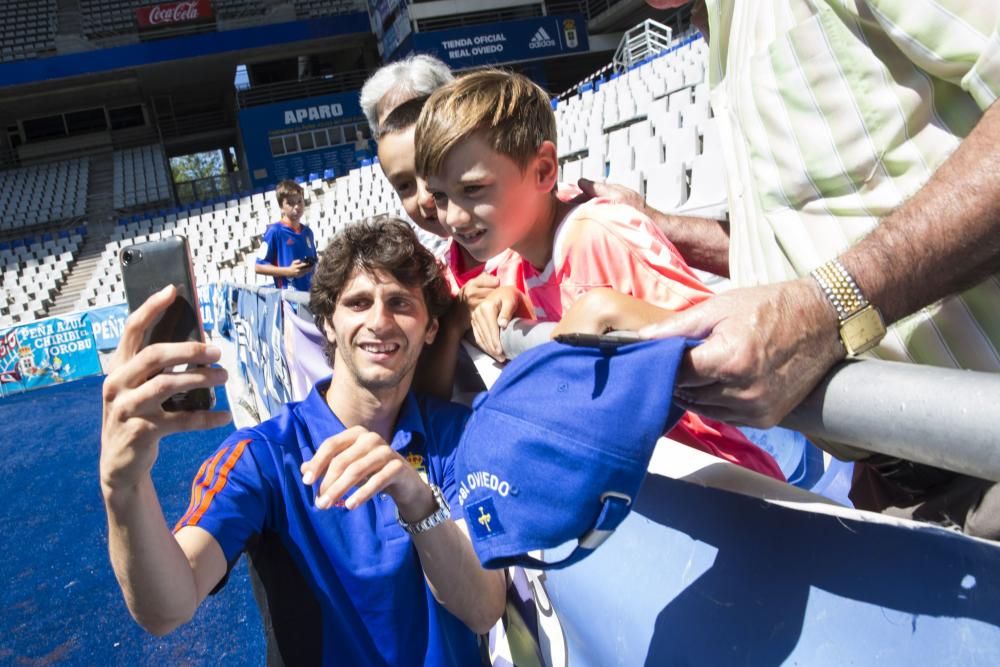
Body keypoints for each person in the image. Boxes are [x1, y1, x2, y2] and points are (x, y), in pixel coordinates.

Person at [574, 1, 1000, 537]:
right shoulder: (725, 27)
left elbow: (824, 291)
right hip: (895, 474)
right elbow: (806, 232)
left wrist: (828, 307)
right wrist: (660, 223)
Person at [99, 216, 505, 664]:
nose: (379, 321)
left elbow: (483, 609)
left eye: (400, 303)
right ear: (328, 323)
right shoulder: (263, 457)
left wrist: (415, 497)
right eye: (358, 302)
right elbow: (167, 609)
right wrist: (124, 488)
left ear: (430, 328)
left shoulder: (457, 434)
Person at [415, 69, 784, 481]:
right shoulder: (512, 260)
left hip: (722, 479)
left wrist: (607, 309)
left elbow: (729, 343)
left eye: (474, 189)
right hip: (645, 483)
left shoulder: (598, 234)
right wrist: (505, 299)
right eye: (441, 196)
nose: (453, 217)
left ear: (542, 171)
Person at [254, 179, 317, 291]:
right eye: (290, 203)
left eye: (299, 201)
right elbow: (258, 267)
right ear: (281, 207)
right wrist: (288, 271)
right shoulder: (274, 231)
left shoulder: (308, 232)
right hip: (289, 299)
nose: (297, 207)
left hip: (312, 296)